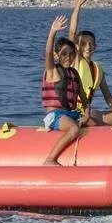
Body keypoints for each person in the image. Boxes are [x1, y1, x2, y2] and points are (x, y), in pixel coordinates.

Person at [67, 0, 112, 126]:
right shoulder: (75, 61)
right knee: (100, 125)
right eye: (84, 44)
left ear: (95, 47)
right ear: (77, 46)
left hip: (89, 112)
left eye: (91, 44)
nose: (88, 47)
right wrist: (77, 7)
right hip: (74, 114)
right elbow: (71, 33)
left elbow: (108, 97)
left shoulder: (98, 69)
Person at [41, 14, 86, 166]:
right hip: (55, 115)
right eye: (64, 54)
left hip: (72, 113)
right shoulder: (52, 71)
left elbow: (84, 101)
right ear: (56, 56)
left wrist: (86, 114)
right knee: (73, 130)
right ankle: (50, 159)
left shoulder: (74, 74)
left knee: (97, 119)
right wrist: (53, 31)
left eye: (72, 54)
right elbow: (47, 52)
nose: (68, 57)